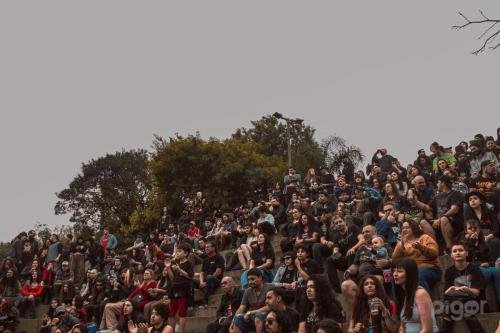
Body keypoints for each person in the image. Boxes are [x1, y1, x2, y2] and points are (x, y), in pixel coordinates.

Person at [441, 242, 485, 333]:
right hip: (456, 302)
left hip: (475, 302)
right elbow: (446, 293)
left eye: (461, 250)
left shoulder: (474, 269)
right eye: (455, 251)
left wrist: (466, 289)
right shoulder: (449, 271)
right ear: (451, 255)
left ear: (467, 253)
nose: (458, 253)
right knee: (451, 305)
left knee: (460, 307)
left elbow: (477, 292)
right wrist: (452, 289)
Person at [392, 219, 441, 292]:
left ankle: (424, 300)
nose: (405, 229)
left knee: (417, 276)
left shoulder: (425, 238)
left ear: (414, 228)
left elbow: (434, 253)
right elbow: (394, 260)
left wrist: (421, 248)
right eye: (403, 228)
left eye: (407, 227)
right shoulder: (402, 244)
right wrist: (401, 243)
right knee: (396, 279)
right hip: (411, 271)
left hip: (430, 268)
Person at [392, 258, 438, 333]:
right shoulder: (407, 295)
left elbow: (427, 329)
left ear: (410, 274)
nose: (395, 274)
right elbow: (402, 327)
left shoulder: (420, 294)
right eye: (394, 271)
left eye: (400, 271)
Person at [230, 268, 273, 333]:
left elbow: (269, 306)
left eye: (252, 279)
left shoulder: (269, 288)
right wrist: (232, 322)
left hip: (267, 314)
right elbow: (242, 307)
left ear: (260, 277)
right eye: (249, 280)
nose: (250, 282)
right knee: (238, 318)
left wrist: (252, 312)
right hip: (251, 317)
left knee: (259, 316)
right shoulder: (248, 291)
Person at [166, 243, 193, 333]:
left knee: (182, 313)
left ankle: (181, 331)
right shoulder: (176, 264)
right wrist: (168, 268)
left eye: (180, 251)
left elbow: (189, 276)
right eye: (177, 251)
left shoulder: (189, 263)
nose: (177, 253)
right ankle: (172, 331)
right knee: (171, 313)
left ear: (186, 253)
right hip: (174, 289)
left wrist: (179, 269)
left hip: (184, 289)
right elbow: (172, 278)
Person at [194, 240, 225, 308]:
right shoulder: (205, 260)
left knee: (209, 277)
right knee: (191, 281)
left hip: (216, 280)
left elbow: (218, 272)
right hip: (205, 281)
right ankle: (191, 304)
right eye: (205, 248)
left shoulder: (219, 257)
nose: (206, 249)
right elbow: (201, 273)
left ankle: (205, 301)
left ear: (213, 248)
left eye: (208, 247)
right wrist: (202, 282)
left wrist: (206, 282)